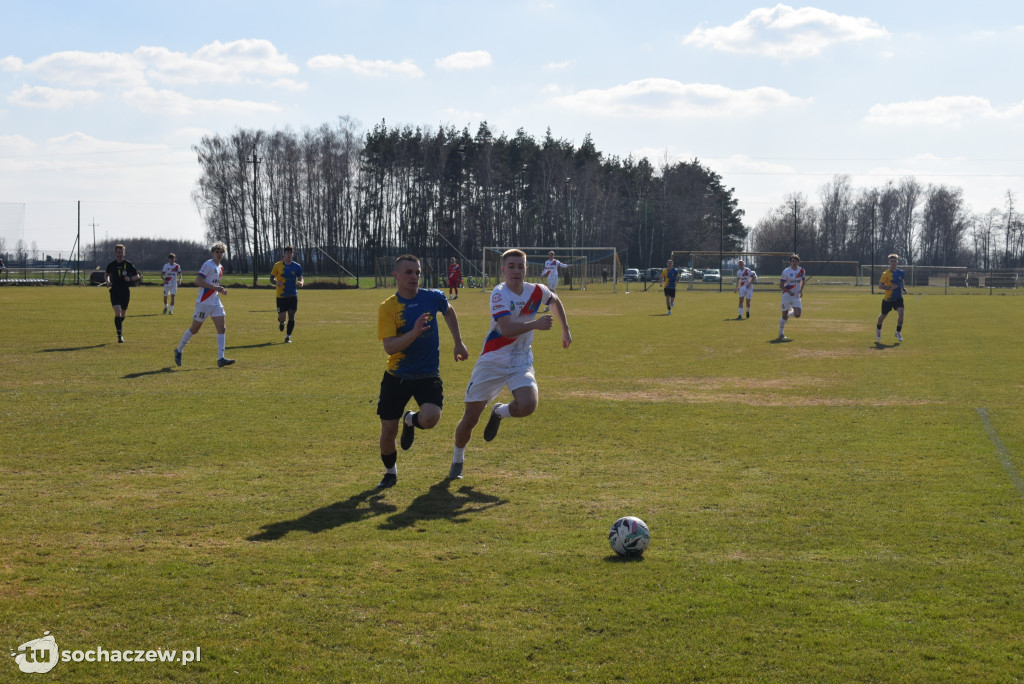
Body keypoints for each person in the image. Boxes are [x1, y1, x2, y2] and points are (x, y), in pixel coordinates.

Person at [449, 249, 572, 480]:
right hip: (492, 360)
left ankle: (499, 412)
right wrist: (535, 324)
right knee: (471, 418)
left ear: (526, 269)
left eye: (521, 266)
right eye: (512, 266)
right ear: (503, 270)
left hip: (521, 359)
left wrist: (566, 330)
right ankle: (458, 460)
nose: (516, 271)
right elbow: (506, 330)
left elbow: (554, 300)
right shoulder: (499, 293)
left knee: (528, 405)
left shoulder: (536, 290)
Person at [376, 254, 469, 489]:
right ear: (396, 275)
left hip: (427, 374)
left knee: (430, 419)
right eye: (408, 272)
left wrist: (458, 342)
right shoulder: (389, 307)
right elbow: (390, 346)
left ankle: (411, 420)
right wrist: (414, 333)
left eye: (417, 272)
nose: (414, 277)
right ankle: (390, 473)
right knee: (388, 431)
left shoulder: (432, 297)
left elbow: (448, 310)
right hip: (397, 375)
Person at [174, 242, 234, 368]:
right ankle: (179, 350)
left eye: (221, 252)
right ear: (212, 253)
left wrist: (221, 290)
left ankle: (221, 358)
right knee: (195, 329)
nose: (219, 254)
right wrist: (214, 287)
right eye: (217, 251)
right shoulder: (208, 265)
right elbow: (198, 281)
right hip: (204, 302)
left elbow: (215, 284)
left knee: (222, 328)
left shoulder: (220, 268)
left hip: (215, 302)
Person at [104, 244, 140, 343]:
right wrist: (108, 282)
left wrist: (130, 278)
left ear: (124, 253)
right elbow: (106, 274)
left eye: (121, 252)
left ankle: (118, 324)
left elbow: (137, 275)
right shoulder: (111, 264)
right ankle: (120, 335)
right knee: (118, 313)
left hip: (125, 292)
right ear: (115, 253)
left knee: (123, 315)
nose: (120, 254)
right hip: (114, 291)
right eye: (118, 252)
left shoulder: (128, 264)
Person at [270, 245, 304, 343]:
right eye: (287, 253)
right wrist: (276, 283)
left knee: (292, 315)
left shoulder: (297, 266)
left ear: (292, 255)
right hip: (281, 296)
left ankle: (288, 336)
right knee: (282, 317)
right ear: (284, 254)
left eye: (290, 253)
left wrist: (301, 282)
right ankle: (281, 323)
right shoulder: (277, 265)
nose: (289, 255)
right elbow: (271, 278)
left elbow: (300, 277)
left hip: (293, 295)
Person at [876, 253, 907, 342]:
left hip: (898, 298)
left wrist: (903, 288)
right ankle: (878, 330)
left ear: (897, 262)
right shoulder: (886, 274)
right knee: (883, 316)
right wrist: (890, 288)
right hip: (888, 299)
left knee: (901, 313)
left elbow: (901, 280)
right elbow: (880, 286)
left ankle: (898, 332)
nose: (893, 263)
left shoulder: (901, 272)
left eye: (895, 261)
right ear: (889, 262)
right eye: (891, 261)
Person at [778, 255, 806, 340]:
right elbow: (781, 285)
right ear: (790, 262)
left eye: (796, 261)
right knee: (784, 316)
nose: (794, 263)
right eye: (792, 261)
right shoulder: (786, 271)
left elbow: (803, 280)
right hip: (786, 295)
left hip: (796, 296)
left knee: (798, 314)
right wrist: (789, 291)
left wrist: (801, 290)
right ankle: (781, 333)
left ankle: (790, 313)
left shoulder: (801, 271)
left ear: (798, 262)